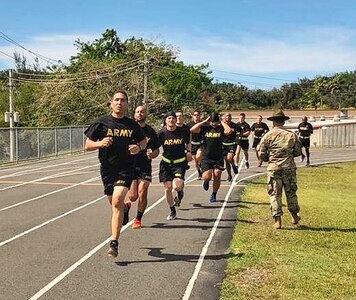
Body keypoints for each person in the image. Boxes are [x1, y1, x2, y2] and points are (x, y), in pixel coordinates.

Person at [84, 90, 147, 257]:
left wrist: (138, 148)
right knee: (114, 203)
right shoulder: (101, 123)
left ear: (127, 105)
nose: (119, 103)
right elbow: (87, 145)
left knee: (118, 199)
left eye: (123, 100)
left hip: (125, 168)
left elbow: (144, 141)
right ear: (111, 103)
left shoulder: (131, 125)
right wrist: (100, 143)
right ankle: (125, 210)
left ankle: (114, 242)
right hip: (107, 169)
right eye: (116, 100)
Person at [257, 110, 302, 229]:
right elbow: (298, 152)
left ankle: (277, 220)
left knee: (275, 194)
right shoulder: (292, 135)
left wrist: (269, 158)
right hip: (289, 168)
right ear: (283, 121)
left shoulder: (268, 135)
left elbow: (261, 153)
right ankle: (294, 215)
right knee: (291, 193)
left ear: (273, 122)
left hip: (274, 168)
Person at [127, 105, 160, 229]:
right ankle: (128, 205)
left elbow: (157, 150)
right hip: (130, 165)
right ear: (134, 114)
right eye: (137, 112)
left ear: (146, 114)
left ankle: (138, 219)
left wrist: (152, 154)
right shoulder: (128, 129)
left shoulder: (150, 131)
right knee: (132, 196)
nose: (140, 113)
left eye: (142, 112)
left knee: (143, 191)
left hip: (144, 165)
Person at [190, 112, 233, 202]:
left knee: (217, 175)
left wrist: (221, 121)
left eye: (215, 122)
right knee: (207, 176)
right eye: (212, 121)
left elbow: (229, 131)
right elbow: (193, 129)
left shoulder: (221, 128)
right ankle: (206, 181)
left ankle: (214, 194)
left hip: (218, 156)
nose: (214, 124)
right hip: (206, 156)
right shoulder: (205, 128)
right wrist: (204, 121)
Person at [158, 111, 192, 220]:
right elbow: (154, 146)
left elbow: (189, 141)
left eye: (173, 118)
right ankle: (172, 211)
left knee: (176, 186)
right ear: (165, 120)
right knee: (168, 189)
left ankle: (180, 191)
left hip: (179, 163)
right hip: (166, 163)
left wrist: (189, 151)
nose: (171, 120)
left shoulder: (182, 131)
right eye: (169, 118)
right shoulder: (161, 133)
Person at [222, 112, 241, 182]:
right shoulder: (222, 126)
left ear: (231, 117)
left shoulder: (235, 125)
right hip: (224, 145)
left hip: (232, 144)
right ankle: (229, 175)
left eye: (229, 116)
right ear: (224, 117)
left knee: (229, 158)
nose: (228, 117)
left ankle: (233, 165)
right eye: (226, 116)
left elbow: (241, 131)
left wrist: (238, 136)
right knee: (226, 161)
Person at [187, 110, 204, 179]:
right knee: (196, 161)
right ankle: (199, 172)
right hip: (193, 144)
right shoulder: (189, 124)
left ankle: (201, 164)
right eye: (195, 115)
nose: (196, 116)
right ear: (192, 116)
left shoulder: (202, 124)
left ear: (200, 116)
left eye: (197, 115)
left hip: (201, 144)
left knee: (198, 156)